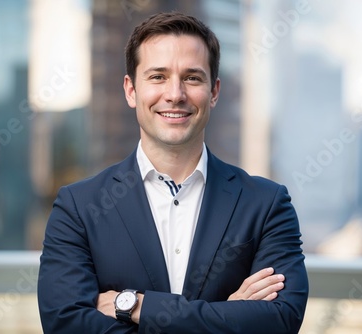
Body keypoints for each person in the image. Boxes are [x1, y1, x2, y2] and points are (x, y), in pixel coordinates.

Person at [38, 11, 308, 334]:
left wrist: (136, 305)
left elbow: (280, 320)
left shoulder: (266, 206)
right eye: (158, 77)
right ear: (130, 90)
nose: (175, 94)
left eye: (192, 77)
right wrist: (227, 316)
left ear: (215, 91)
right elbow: (65, 325)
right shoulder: (78, 208)